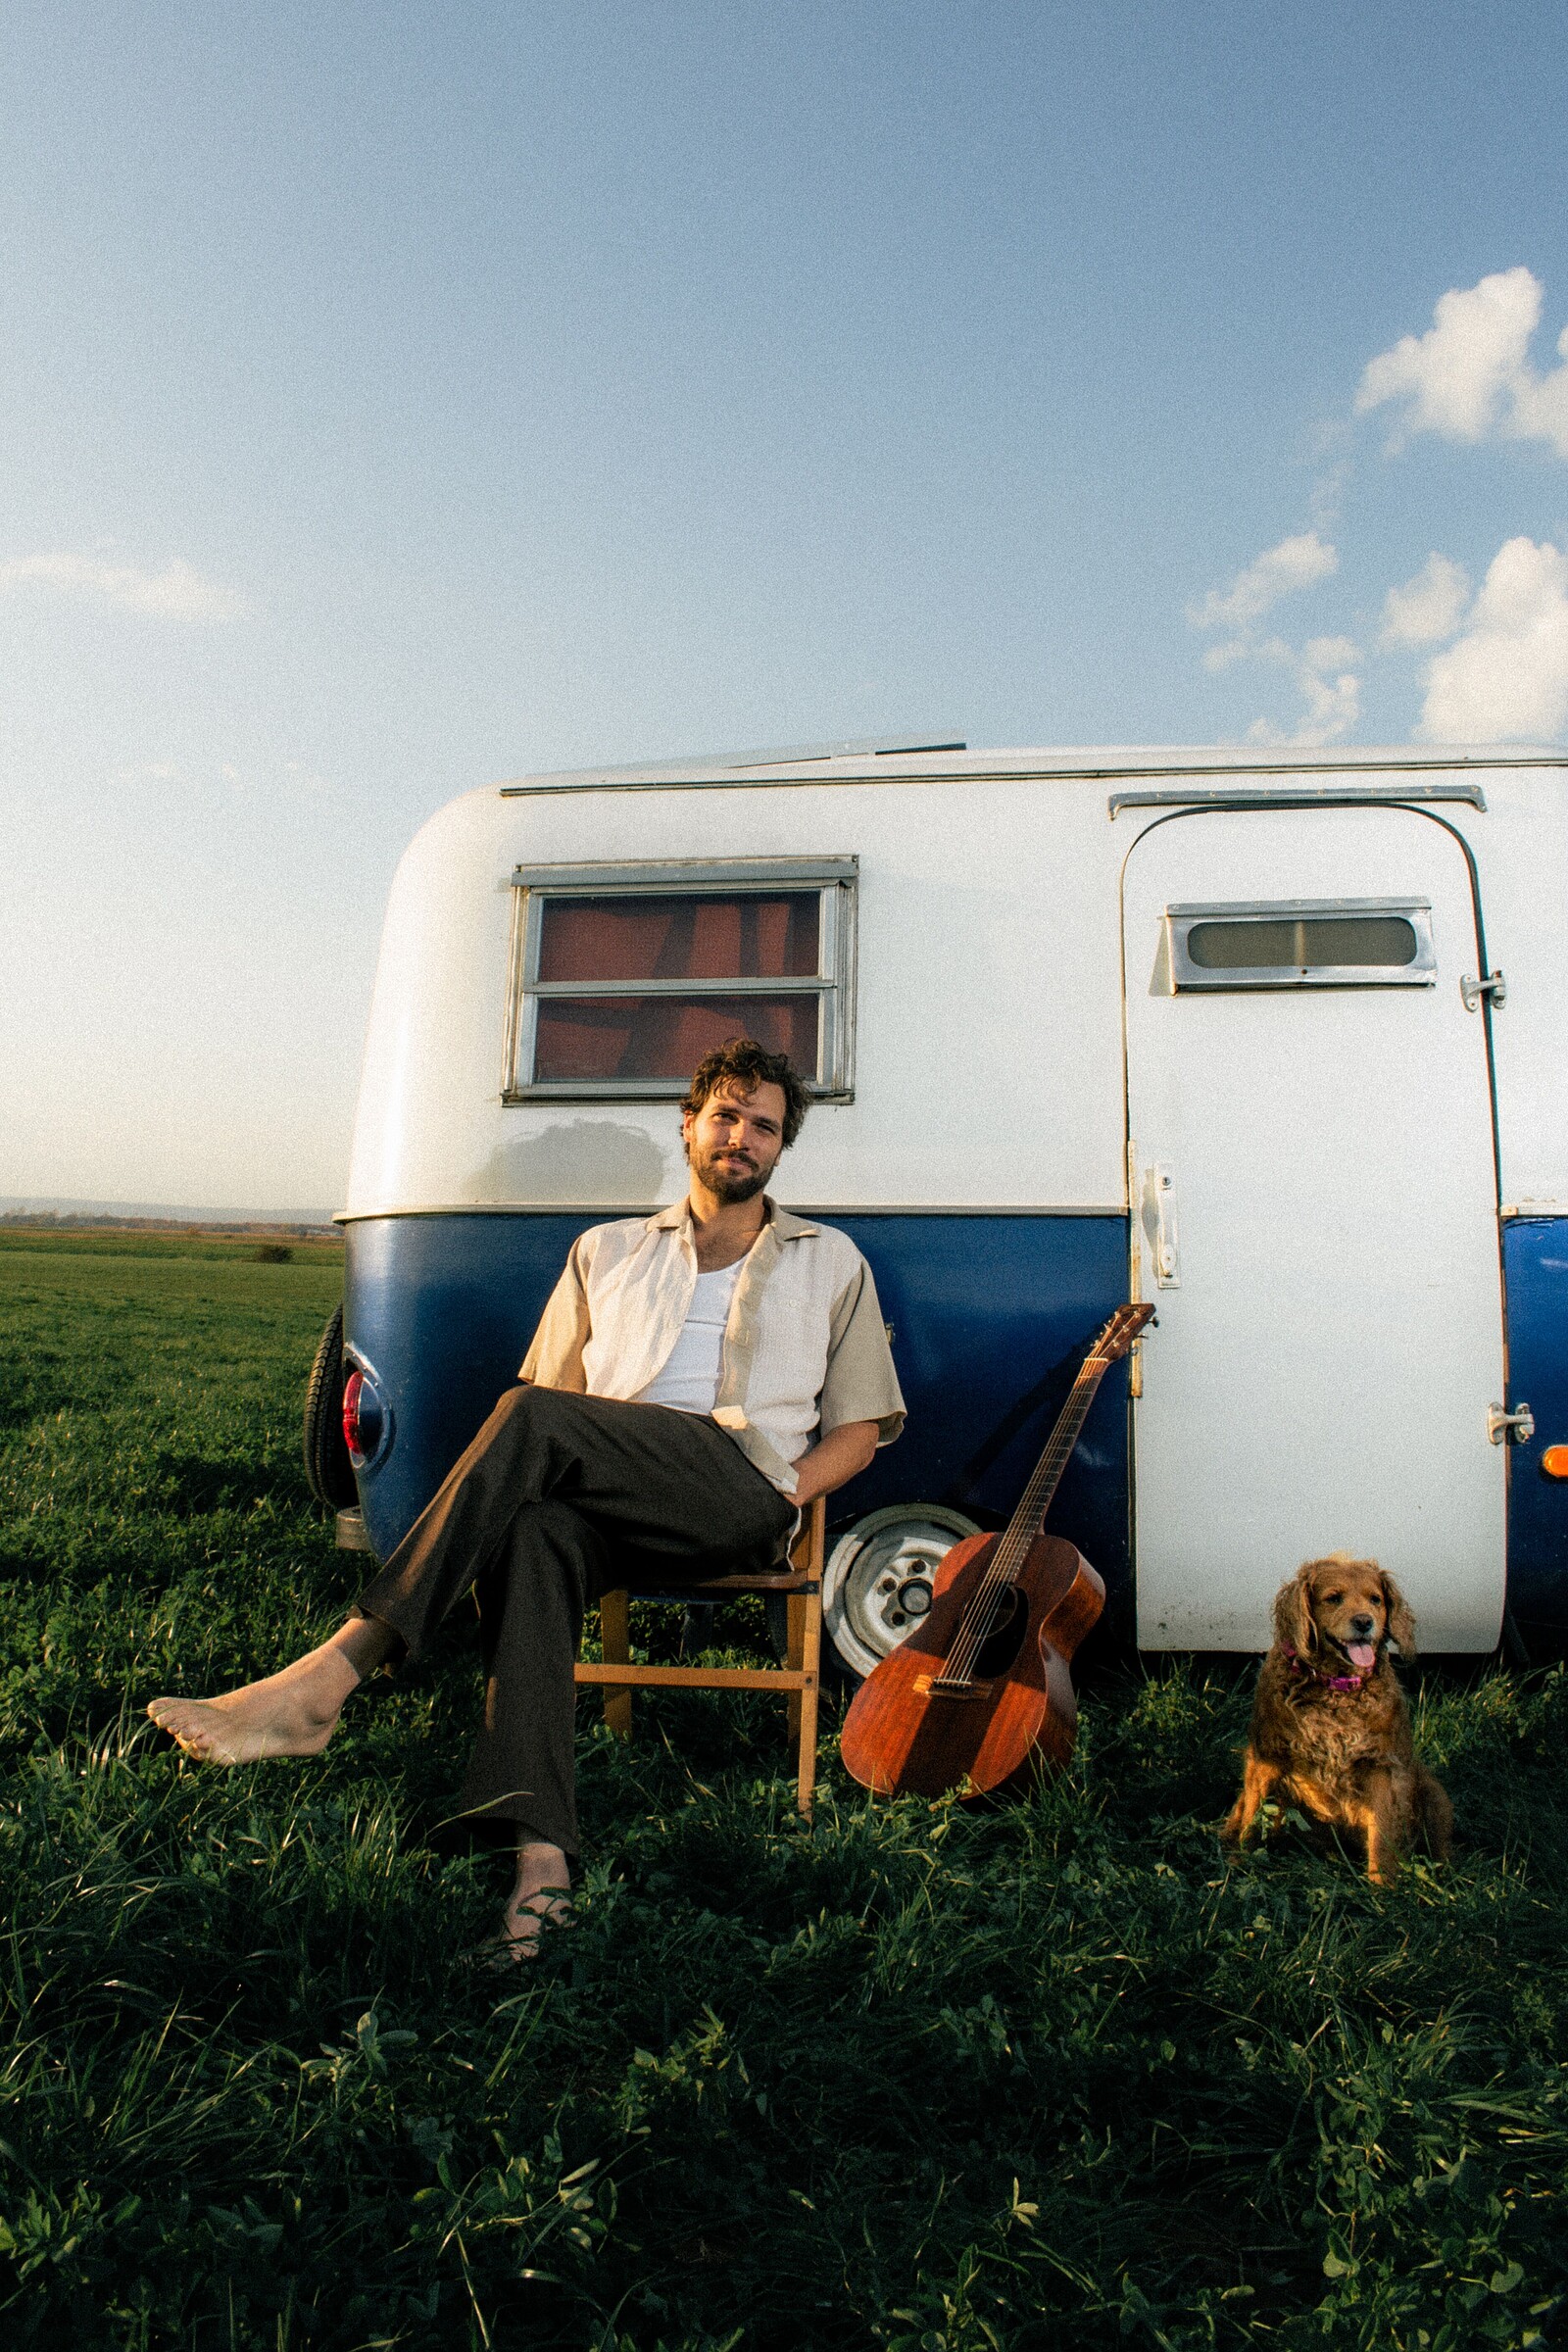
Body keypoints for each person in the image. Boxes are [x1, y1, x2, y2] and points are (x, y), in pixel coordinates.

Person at [148, 1038, 905, 1956]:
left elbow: (861, 1431)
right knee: (536, 1533)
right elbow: (551, 1405)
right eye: (726, 1116)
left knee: (533, 1418)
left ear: (781, 1149)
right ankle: (540, 1863)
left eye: (763, 1126)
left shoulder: (833, 1261)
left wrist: (786, 1491)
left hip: (737, 1491)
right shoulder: (608, 1251)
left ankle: (336, 1671)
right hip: (609, 1499)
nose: (741, 1137)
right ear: (690, 1125)